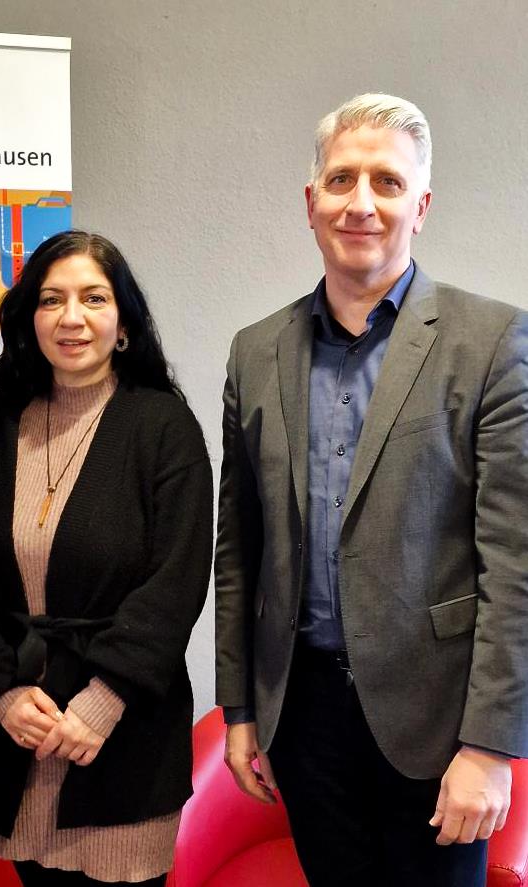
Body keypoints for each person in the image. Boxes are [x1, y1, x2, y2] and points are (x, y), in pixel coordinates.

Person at [214, 93, 528, 887]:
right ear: (310, 202)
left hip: (439, 723)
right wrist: (240, 710)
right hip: (303, 718)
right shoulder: (255, 351)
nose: (361, 203)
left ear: (420, 206)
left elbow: (516, 563)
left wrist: (491, 747)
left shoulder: (491, 342)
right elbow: (238, 550)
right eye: (341, 179)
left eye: (387, 182)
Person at [0, 230, 213, 886]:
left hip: (122, 736)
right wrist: (0, 690)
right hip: (19, 735)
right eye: (52, 299)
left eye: (94, 298)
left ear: (124, 323)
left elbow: (175, 583)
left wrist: (102, 701)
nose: (72, 317)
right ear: (29, 319)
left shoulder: (165, 428)